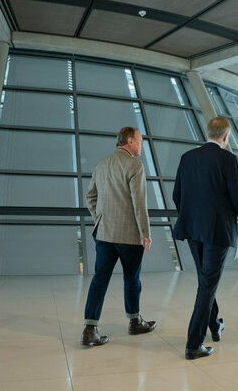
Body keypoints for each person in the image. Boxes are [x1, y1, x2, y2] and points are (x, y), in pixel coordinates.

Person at [173, 117, 238, 360]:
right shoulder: (228, 159)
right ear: (226, 137)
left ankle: (215, 326)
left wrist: (191, 217)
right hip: (217, 231)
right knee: (207, 284)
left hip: (193, 229)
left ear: (208, 133)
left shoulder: (187, 157)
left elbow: (177, 195)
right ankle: (193, 345)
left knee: (205, 282)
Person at [81, 127, 156, 346]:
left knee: (99, 279)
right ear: (130, 141)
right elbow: (139, 202)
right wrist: (145, 233)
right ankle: (135, 322)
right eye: (140, 141)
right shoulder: (134, 165)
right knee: (132, 279)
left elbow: (90, 195)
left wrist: (99, 218)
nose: (142, 145)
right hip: (129, 236)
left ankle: (89, 330)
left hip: (104, 234)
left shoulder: (102, 163)